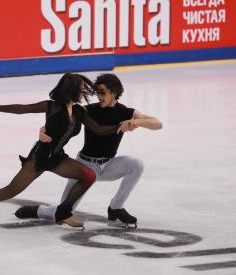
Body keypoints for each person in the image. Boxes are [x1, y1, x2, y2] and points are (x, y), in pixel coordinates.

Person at [0, 73, 130, 228]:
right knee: (11, 190)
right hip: (40, 157)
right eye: (81, 89)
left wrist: (123, 125)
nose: (84, 93)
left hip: (58, 158)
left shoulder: (78, 111)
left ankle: (63, 212)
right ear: (71, 90)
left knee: (89, 176)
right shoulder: (51, 106)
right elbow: (22, 109)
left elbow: (97, 129)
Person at [14, 73, 162, 227]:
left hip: (109, 165)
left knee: (136, 164)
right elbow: (58, 121)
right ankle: (39, 211)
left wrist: (135, 121)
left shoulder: (126, 112)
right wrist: (42, 130)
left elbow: (158, 124)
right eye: (97, 92)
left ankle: (116, 208)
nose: (99, 96)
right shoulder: (87, 110)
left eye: (103, 92)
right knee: (60, 212)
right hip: (84, 167)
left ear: (114, 92)